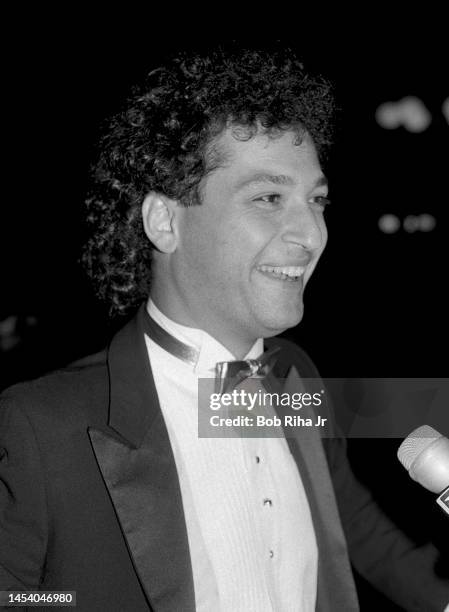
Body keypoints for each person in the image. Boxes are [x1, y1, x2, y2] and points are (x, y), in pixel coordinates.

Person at [0, 46, 448, 612]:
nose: (312, 234)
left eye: (317, 200)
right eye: (268, 198)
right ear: (165, 221)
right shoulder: (41, 423)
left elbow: (347, 517)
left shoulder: (294, 373)